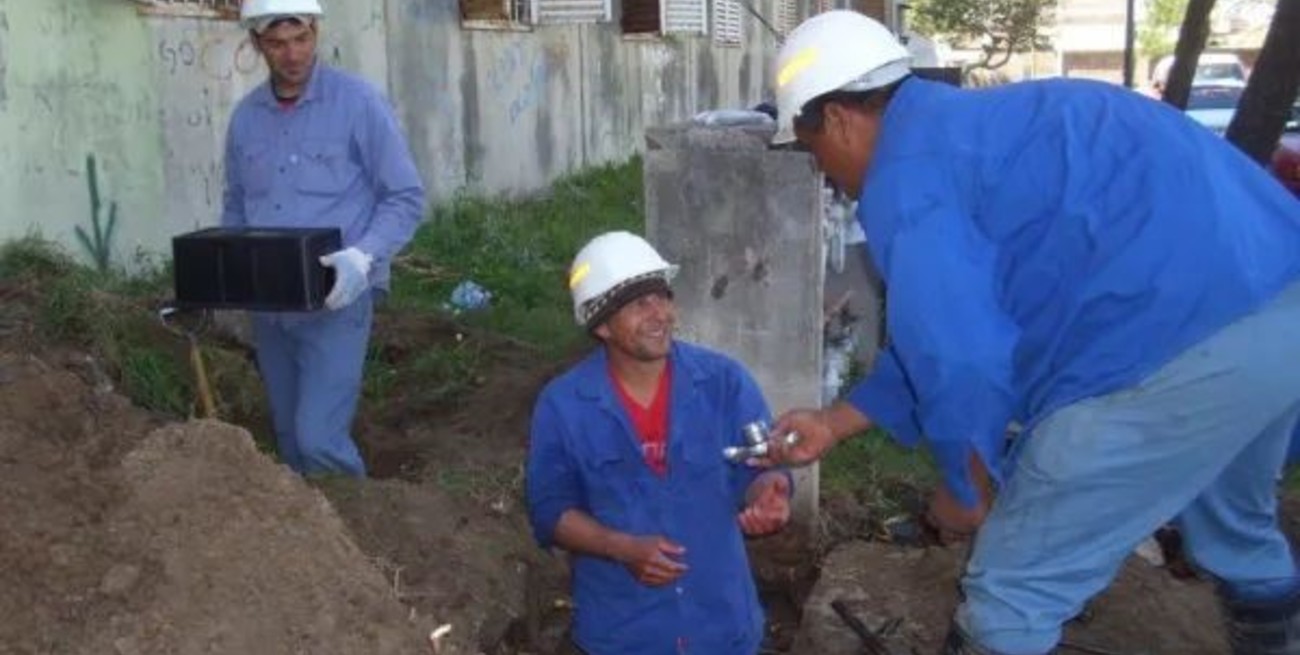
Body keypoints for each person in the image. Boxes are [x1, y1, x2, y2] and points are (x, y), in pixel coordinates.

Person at [763, 11, 1300, 655]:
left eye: (809, 147)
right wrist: (836, 421)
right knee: (1231, 519)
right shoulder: (989, 125)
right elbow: (940, 332)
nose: (821, 171)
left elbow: (959, 357)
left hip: (1175, 344)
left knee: (1009, 596)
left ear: (840, 119)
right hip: (1279, 303)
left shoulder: (906, 181)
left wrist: (967, 490)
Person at [525, 231, 793, 655]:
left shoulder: (723, 382)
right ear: (601, 325)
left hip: (722, 627)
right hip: (624, 632)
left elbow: (760, 467)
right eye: (638, 304)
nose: (659, 314)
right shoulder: (564, 406)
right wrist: (621, 548)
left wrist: (769, 495)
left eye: (662, 298)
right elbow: (550, 510)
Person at [221, 0, 425, 477]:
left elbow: (405, 196)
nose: (292, 55)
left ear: (315, 32)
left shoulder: (358, 104)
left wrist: (363, 257)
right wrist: (230, 275)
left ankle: (362, 539)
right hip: (271, 306)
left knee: (318, 438)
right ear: (257, 44)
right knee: (290, 437)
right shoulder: (246, 119)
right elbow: (236, 204)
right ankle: (313, 546)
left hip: (336, 297)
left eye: (301, 39)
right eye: (277, 43)